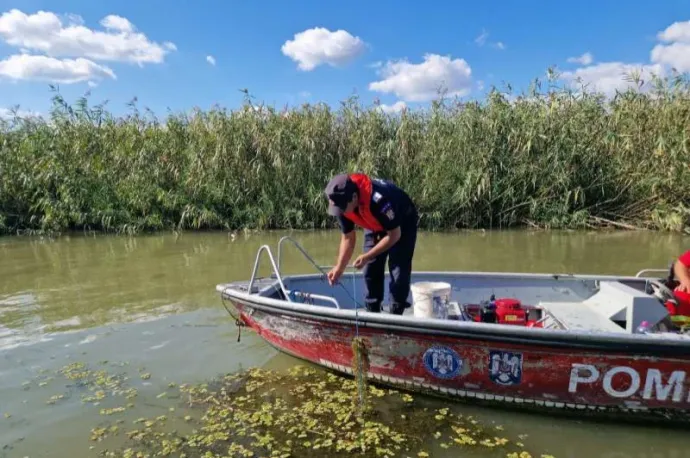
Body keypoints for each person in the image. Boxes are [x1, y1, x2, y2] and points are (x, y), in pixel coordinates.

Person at [323, 172, 419, 315]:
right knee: (370, 269)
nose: (340, 212)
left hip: (402, 223)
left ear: (354, 197)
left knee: (398, 271)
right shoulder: (341, 204)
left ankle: (396, 313)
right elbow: (348, 237)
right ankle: (373, 312)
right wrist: (339, 268)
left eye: (343, 208)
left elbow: (394, 235)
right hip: (374, 223)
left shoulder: (378, 201)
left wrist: (367, 255)